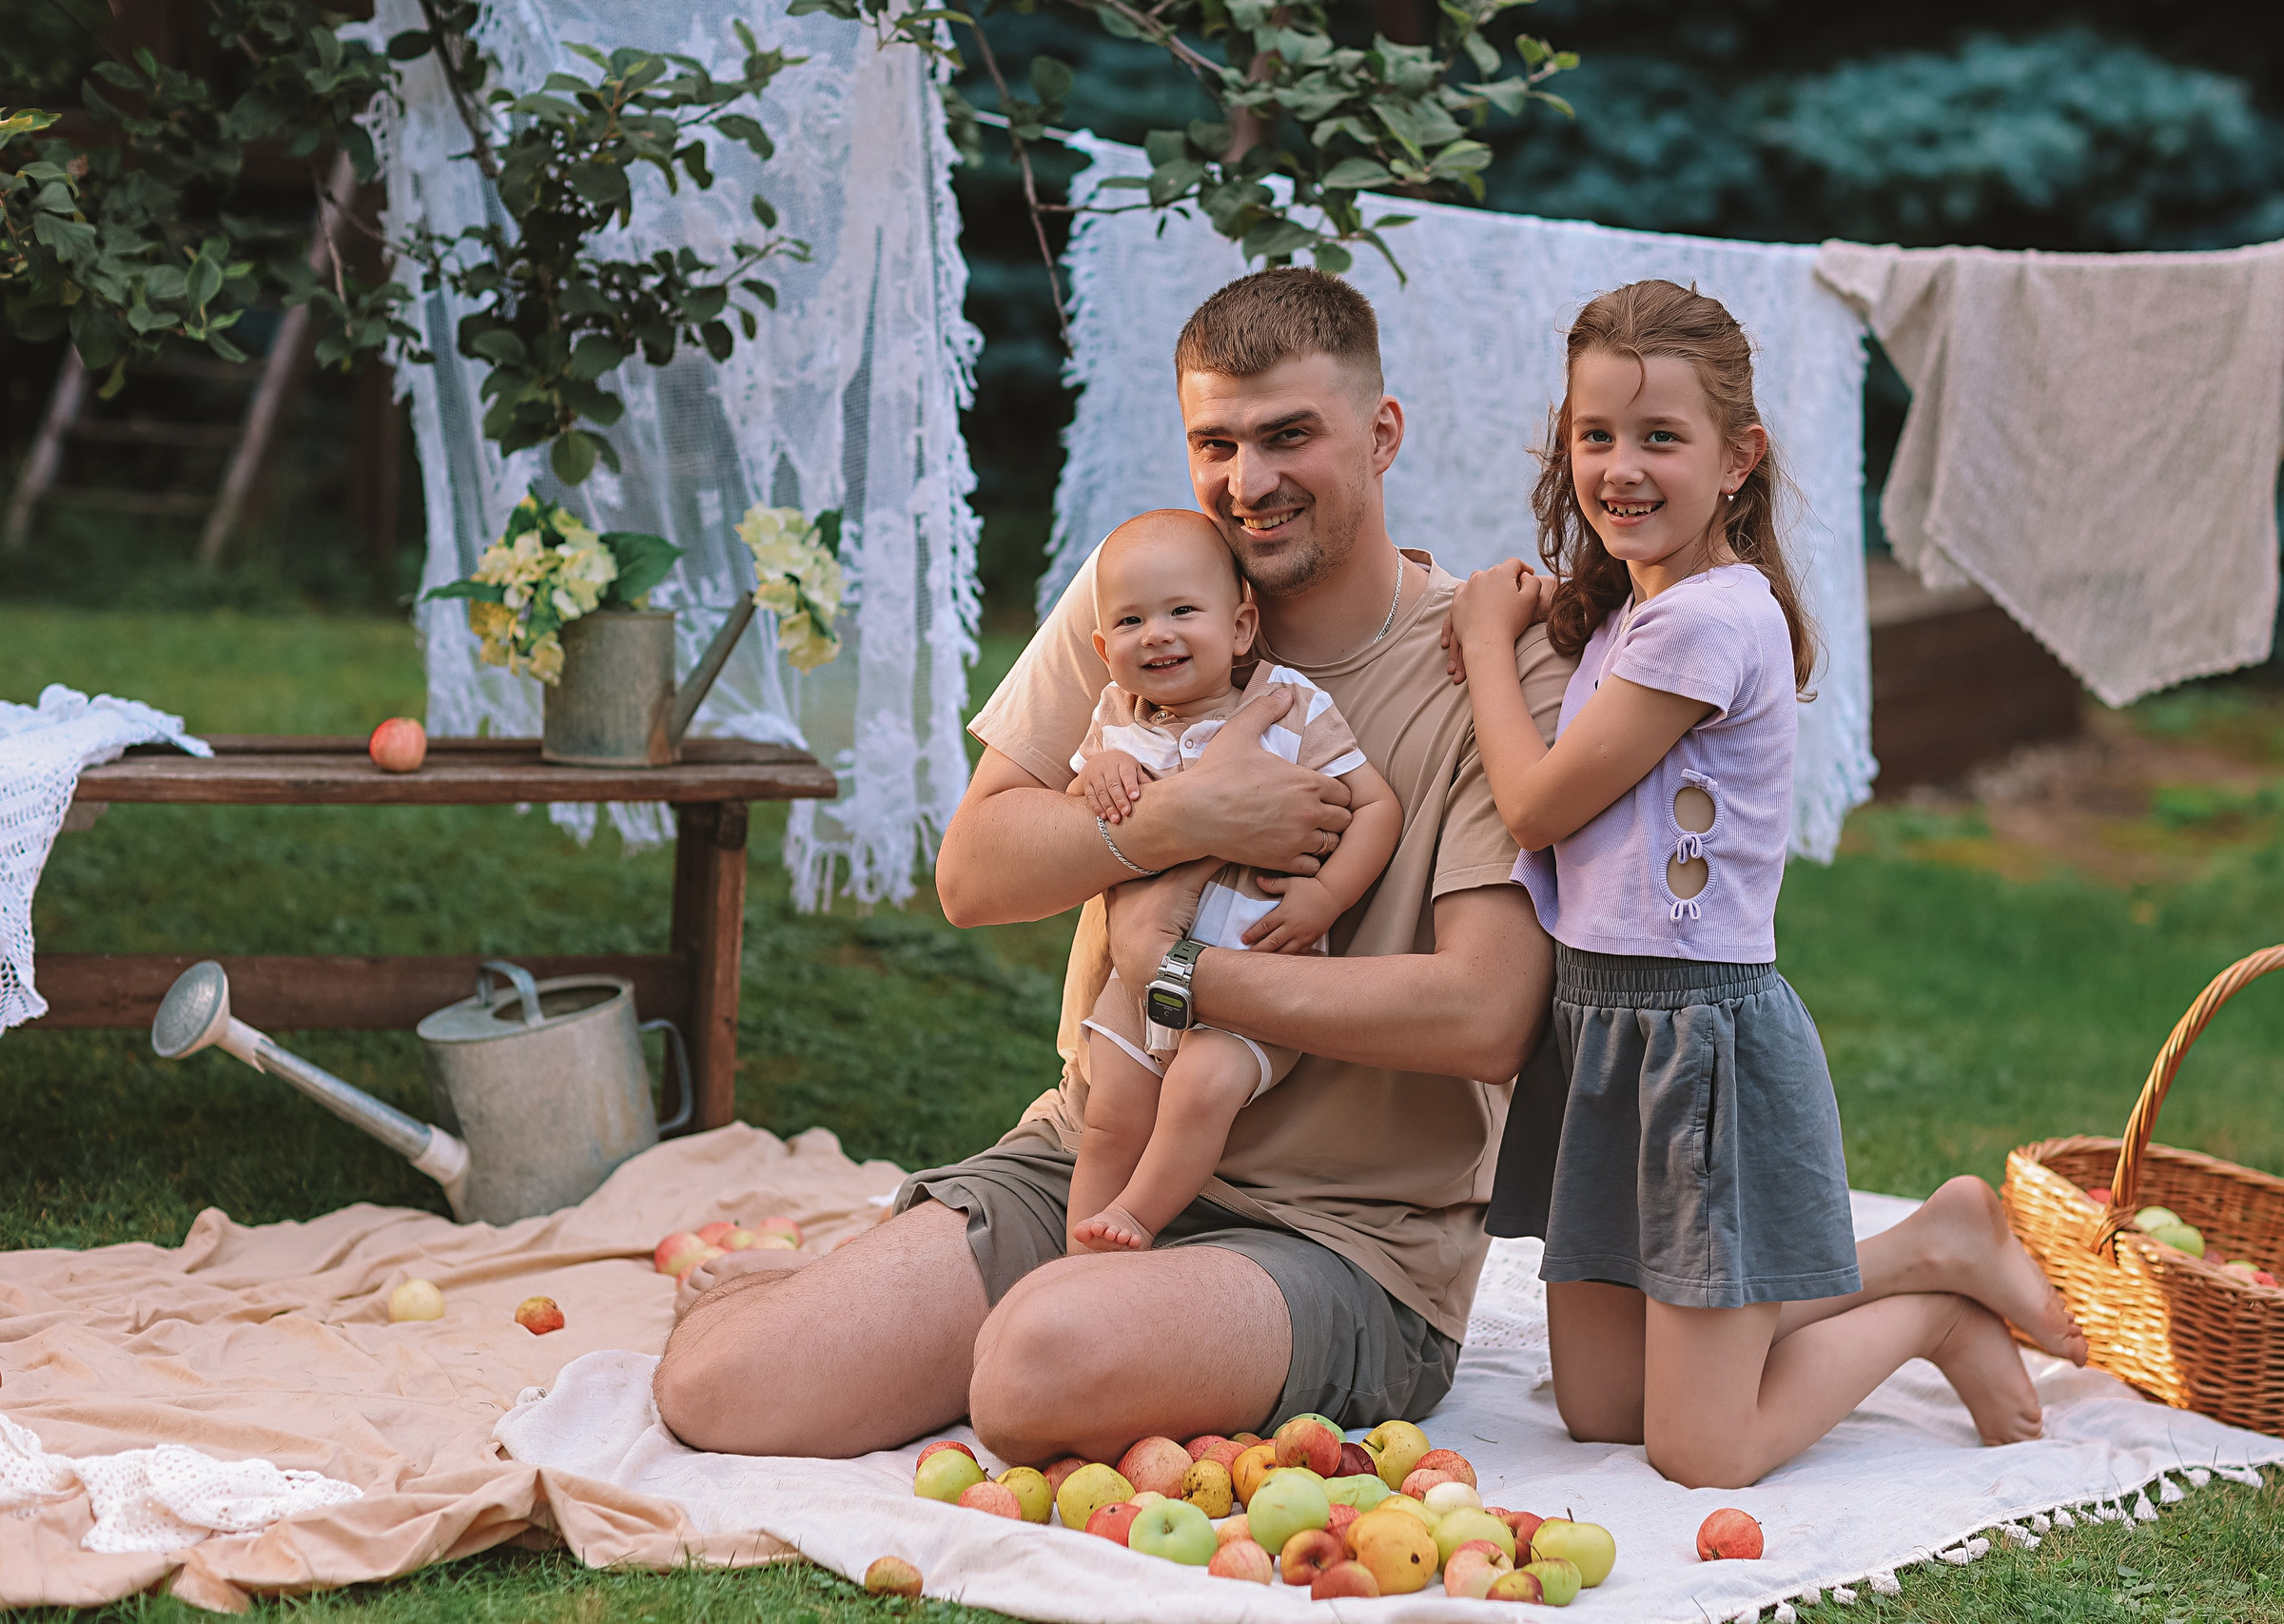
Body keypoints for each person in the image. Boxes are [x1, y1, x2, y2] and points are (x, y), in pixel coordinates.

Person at [652, 266, 2082, 1470]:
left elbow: (1481, 1016)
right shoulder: (1149, 595)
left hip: (1346, 1240)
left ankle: (1068, 1326)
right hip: (1090, 1151)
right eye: (1216, 444)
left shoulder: (1503, 669)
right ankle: (868, 1290)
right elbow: (974, 870)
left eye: (1289, 437)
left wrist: (1182, 977)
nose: (1248, 481)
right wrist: (1177, 820)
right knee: (721, 1390)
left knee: (1031, 1371)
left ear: (1381, 429)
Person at [1447, 279, 2087, 1491]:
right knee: (1597, 1410)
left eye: (1660, 438)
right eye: (1595, 435)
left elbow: (1534, 805)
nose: (1621, 467)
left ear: (1738, 459)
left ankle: (1930, 1307)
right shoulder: (1633, 616)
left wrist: (1485, 639)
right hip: (1594, 1029)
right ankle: (1923, 1244)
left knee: (1702, 1450)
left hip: (1694, 1044)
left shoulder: (1712, 621)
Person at [1063, 508, 1402, 1254]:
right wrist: (1102, 777)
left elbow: (1377, 805)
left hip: (1260, 976)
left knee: (1197, 1091)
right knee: (1110, 1114)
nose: (1156, 633)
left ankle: (1136, 1219)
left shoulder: (1288, 705)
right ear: (1103, 647)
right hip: (1137, 979)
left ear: (1242, 626)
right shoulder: (1116, 722)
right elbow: (1079, 814)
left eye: (1183, 610)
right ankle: (1081, 1258)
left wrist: (1326, 895)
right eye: (1130, 620)